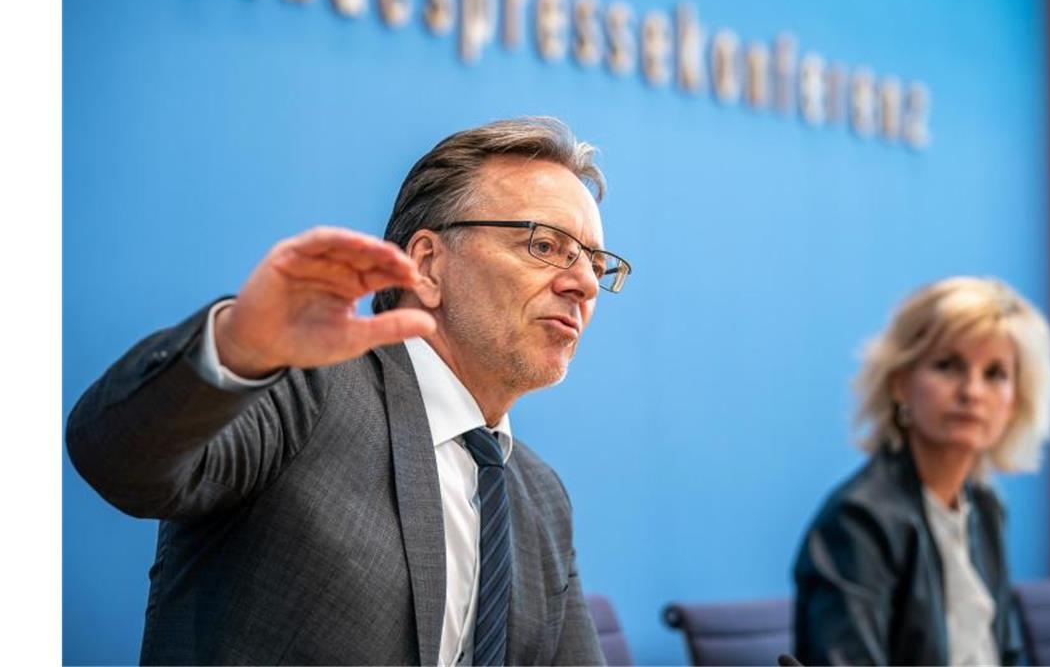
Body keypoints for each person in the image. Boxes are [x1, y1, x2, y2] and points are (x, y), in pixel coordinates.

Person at [66, 117, 632, 666]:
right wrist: (237, 347)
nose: (582, 282)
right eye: (543, 245)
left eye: (594, 260)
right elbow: (118, 459)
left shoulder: (540, 495)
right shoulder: (304, 388)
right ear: (428, 266)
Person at [793, 277, 1050, 666]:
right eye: (948, 366)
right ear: (901, 382)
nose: (972, 391)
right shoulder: (859, 520)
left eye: (995, 374)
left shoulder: (985, 508)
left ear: (1015, 401)